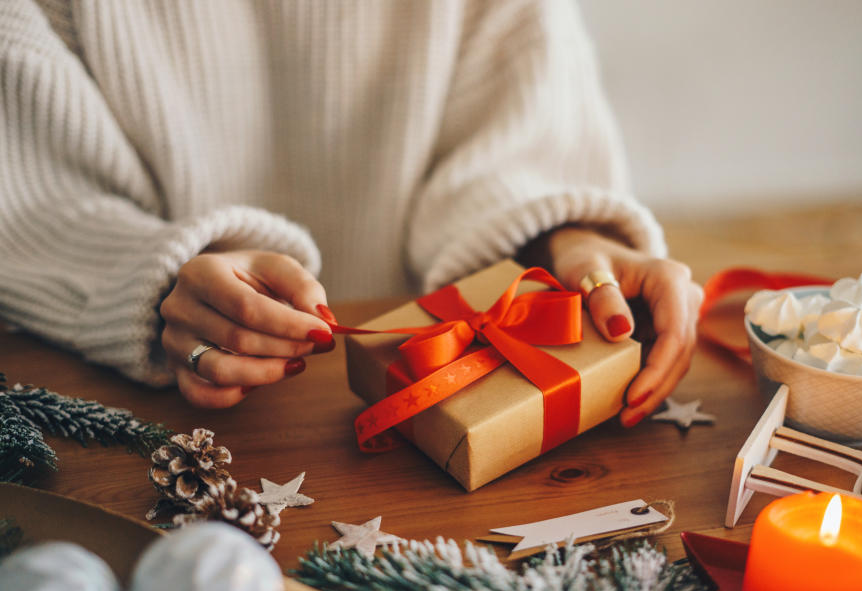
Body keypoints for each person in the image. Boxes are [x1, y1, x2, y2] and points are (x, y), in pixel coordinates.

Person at [0, 0, 701, 428]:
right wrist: (153, 275)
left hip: (441, 417)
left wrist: (567, 237)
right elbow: (29, 193)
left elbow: (520, 139)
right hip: (136, 422)